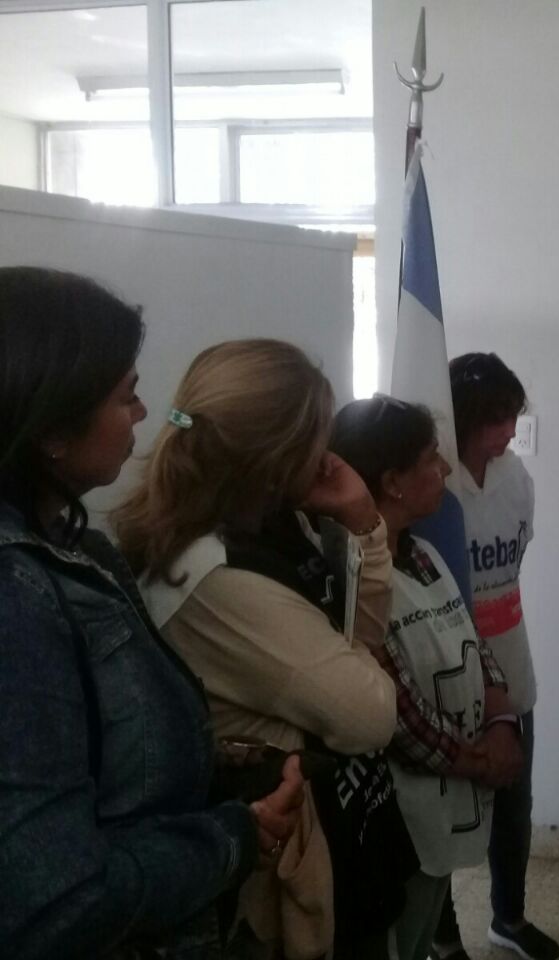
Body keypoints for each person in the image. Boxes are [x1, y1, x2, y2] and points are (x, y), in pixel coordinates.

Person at [0, 267, 302, 959]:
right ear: (52, 429)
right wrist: (230, 839)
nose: (143, 414)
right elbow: (55, 903)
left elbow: (96, 753)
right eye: (126, 396)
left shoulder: (82, 552)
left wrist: (222, 766)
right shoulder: (16, 594)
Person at [115, 339, 407, 960]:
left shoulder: (274, 522)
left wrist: (362, 525)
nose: (327, 456)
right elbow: (371, 715)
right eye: (315, 439)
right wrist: (364, 667)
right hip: (284, 862)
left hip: (341, 822)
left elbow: (359, 643)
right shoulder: (213, 574)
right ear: (275, 461)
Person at [330, 395, 525, 960]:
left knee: (419, 935)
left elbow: (474, 643)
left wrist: (503, 723)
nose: (443, 469)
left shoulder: (424, 556)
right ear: (392, 482)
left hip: (450, 800)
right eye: (430, 458)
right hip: (399, 815)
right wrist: (479, 762)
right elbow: (395, 710)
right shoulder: (356, 580)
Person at [429, 352, 559, 960]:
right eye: (496, 419)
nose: (509, 431)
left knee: (513, 805)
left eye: (513, 416)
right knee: (439, 810)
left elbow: (516, 559)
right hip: (443, 670)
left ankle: (509, 917)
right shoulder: (433, 483)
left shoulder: (515, 478)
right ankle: (441, 935)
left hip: (511, 662)